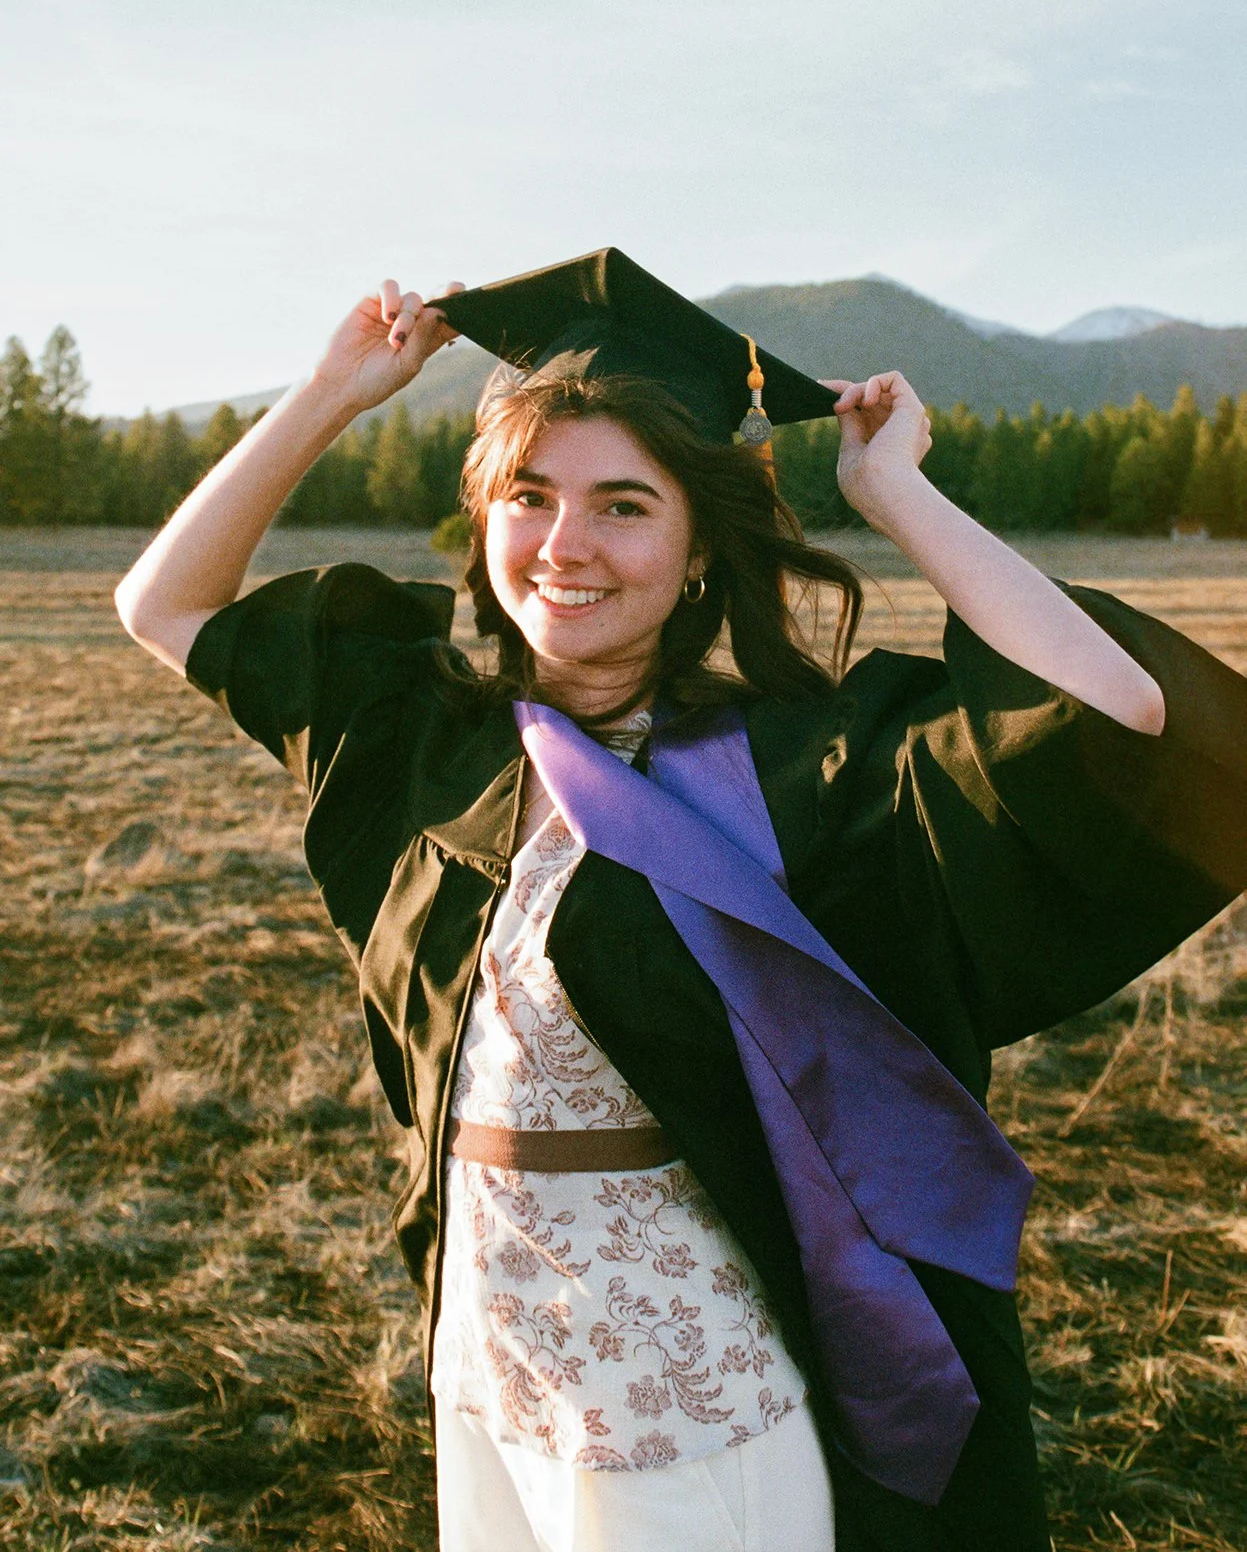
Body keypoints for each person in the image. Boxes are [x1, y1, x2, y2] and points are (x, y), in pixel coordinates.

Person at [115, 250, 1247, 1552]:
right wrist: (329, 392)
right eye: (528, 495)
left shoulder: (791, 772)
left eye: (623, 506)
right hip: (488, 1370)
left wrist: (895, 492)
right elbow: (166, 603)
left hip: (682, 1408)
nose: (565, 544)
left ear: (698, 542)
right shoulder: (429, 731)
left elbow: (1123, 716)